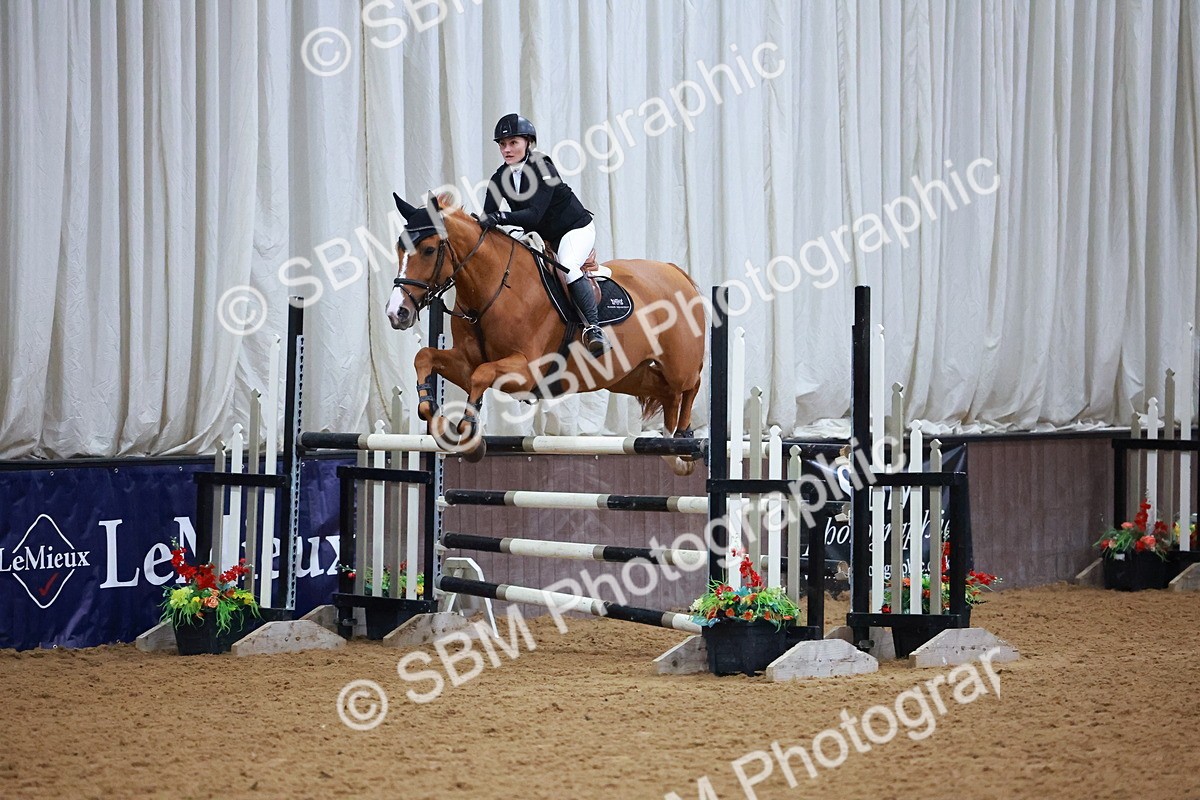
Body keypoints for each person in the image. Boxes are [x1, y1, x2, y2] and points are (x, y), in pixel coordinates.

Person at [479, 113, 608, 357]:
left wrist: (501, 218)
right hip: (542, 236)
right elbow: (488, 215)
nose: (507, 149)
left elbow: (534, 215)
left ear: (528, 142)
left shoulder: (543, 167)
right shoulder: (499, 178)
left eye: (513, 142)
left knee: (568, 266)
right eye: (502, 144)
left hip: (573, 230)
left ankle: (594, 328)